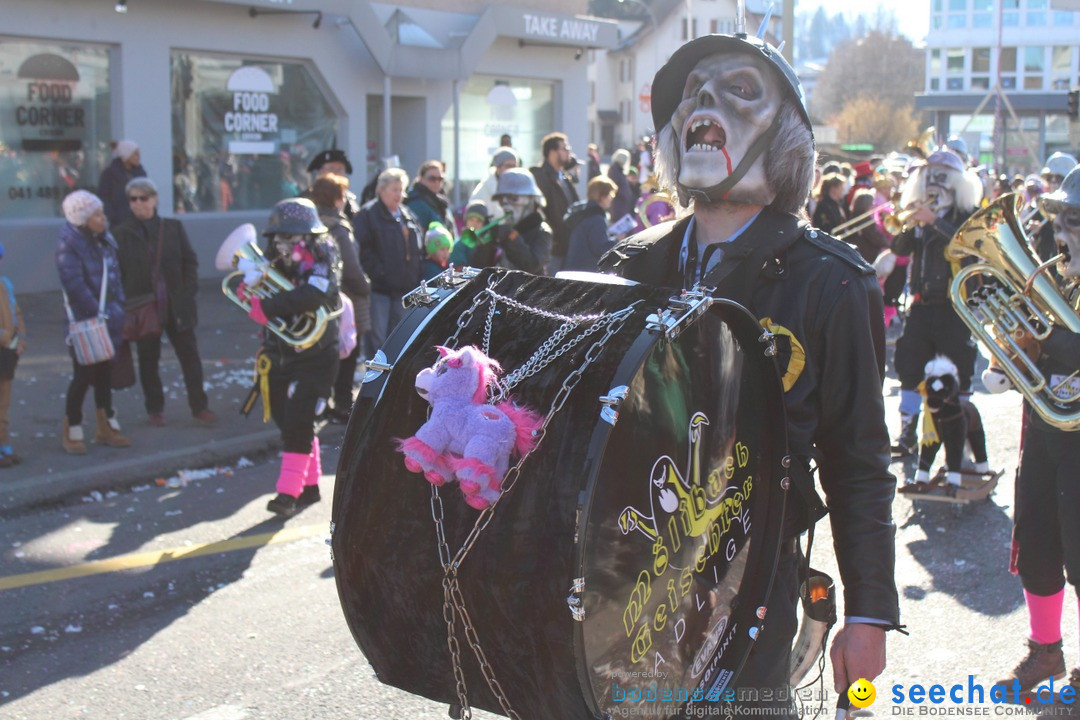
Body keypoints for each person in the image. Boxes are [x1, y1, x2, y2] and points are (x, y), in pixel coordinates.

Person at [598, 30, 899, 715]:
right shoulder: (626, 266)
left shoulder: (832, 283)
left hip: (753, 591)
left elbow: (857, 458)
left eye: (739, 89)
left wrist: (870, 611)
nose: (701, 98)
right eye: (692, 92)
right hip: (616, 590)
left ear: (786, 136)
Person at [991, 164, 1080, 715]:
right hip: (1047, 428)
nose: (1070, 233)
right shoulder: (1055, 280)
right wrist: (1010, 354)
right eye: (1068, 220)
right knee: (1038, 538)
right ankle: (1046, 651)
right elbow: (1030, 338)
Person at [243, 198, 341, 516]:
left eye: (293, 238)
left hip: (319, 351)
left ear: (308, 236)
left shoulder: (325, 251)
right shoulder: (272, 255)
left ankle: (287, 493)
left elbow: (315, 293)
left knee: (299, 417)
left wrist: (269, 307)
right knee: (286, 419)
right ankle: (310, 486)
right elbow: (266, 289)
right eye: (280, 238)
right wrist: (252, 291)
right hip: (280, 350)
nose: (285, 245)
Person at [889, 150, 981, 460]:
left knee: (960, 371)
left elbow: (968, 247)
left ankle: (964, 444)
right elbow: (898, 248)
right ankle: (907, 433)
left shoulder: (967, 212)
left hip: (954, 308)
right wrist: (911, 224)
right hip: (920, 306)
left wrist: (936, 222)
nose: (934, 183)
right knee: (910, 368)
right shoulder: (922, 214)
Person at [113, 178, 215, 427]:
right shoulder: (121, 233)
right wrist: (126, 299)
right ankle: (155, 409)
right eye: (133, 199)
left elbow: (189, 261)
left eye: (144, 198)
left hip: (176, 303)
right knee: (149, 359)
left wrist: (187, 291)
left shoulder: (172, 228)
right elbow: (117, 270)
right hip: (143, 305)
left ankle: (199, 406)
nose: (139, 204)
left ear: (155, 199)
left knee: (189, 355)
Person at [56, 190, 131, 454]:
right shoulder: (69, 244)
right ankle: (72, 428)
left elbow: (116, 275)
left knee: (104, 374)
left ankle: (105, 426)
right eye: (97, 215)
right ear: (82, 219)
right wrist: (96, 311)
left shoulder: (104, 240)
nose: (103, 219)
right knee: (83, 375)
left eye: (101, 212)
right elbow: (74, 284)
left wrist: (117, 305)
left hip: (109, 318)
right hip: (85, 322)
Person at [310, 174, 371, 424]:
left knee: (325, 354)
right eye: (343, 195)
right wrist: (366, 286)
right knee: (347, 354)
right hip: (348, 301)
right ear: (337, 199)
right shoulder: (339, 228)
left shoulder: (312, 225)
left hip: (322, 301)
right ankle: (343, 406)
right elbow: (352, 269)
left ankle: (322, 404)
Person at [355, 168, 423, 351]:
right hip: (380, 290)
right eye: (395, 189)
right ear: (381, 190)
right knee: (378, 341)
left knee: (399, 340)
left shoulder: (407, 215)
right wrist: (381, 272)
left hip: (404, 290)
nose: (399, 195)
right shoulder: (367, 215)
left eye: (401, 190)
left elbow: (418, 249)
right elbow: (363, 250)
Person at [530, 132, 579, 274]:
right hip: (552, 249)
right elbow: (539, 213)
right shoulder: (539, 176)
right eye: (565, 148)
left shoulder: (564, 177)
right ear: (552, 152)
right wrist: (552, 238)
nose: (569, 151)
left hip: (567, 246)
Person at [491, 167, 551, 275]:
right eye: (502, 200)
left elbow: (532, 266)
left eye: (513, 198)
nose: (506, 206)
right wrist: (487, 244)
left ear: (531, 199)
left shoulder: (543, 231)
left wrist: (512, 238)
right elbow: (480, 264)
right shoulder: (505, 228)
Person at [0, 242, 26, 468]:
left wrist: (21, 338)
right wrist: (5, 335)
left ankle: (3, 442)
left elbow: (15, 312)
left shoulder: (4, 285)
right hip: (4, 345)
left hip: (7, 352)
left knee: (3, 402)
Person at [563, 176, 618, 272]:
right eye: (610, 195)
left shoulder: (581, 210)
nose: (611, 199)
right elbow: (599, 248)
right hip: (586, 269)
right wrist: (618, 240)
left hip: (572, 265)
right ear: (602, 196)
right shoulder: (597, 218)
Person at [96, 139, 147, 227]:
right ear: (126, 156)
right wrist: (113, 216)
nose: (138, 157)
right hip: (118, 223)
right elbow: (103, 197)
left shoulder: (141, 173)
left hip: (139, 222)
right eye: (135, 154)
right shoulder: (109, 174)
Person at [405, 160, 456, 241]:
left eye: (440, 179)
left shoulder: (441, 202)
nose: (436, 182)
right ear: (421, 179)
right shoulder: (416, 203)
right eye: (432, 179)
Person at [305, 149, 359, 218]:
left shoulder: (349, 199)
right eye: (331, 168)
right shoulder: (307, 198)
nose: (335, 173)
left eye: (340, 169)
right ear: (320, 171)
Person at [469, 148, 518, 214]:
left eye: (514, 166)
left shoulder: (517, 186)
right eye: (508, 166)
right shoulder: (486, 187)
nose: (512, 169)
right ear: (498, 167)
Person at [606, 148, 635, 226]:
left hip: (622, 203)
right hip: (618, 203)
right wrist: (622, 194)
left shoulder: (619, 169)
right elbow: (612, 185)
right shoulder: (614, 169)